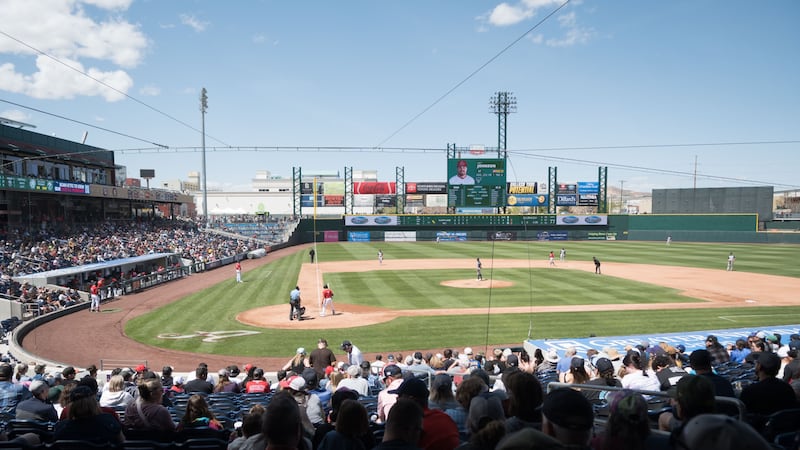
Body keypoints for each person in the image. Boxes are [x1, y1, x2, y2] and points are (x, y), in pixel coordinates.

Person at [54, 385, 124, 445]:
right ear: (94, 403)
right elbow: (122, 443)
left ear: (72, 406)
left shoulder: (61, 427)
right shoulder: (109, 421)